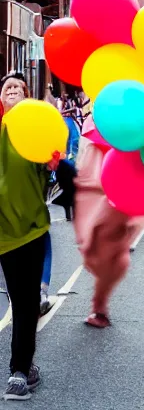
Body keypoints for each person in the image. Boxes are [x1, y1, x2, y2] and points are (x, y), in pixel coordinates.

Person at [0, 73, 59, 400]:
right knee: (17, 299)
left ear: (26, 98)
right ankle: (24, 365)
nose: (11, 90)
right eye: (7, 86)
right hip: (3, 233)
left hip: (31, 231)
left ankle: (19, 372)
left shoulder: (35, 136)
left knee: (23, 303)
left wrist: (54, 163)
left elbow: (52, 171)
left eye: (18, 88)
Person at [73, 116, 144, 328]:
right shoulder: (98, 120)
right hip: (102, 182)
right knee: (100, 247)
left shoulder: (136, 120)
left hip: (123, 184)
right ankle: (99, 305)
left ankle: (99, 305)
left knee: (114, 252)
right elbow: (86, 160)